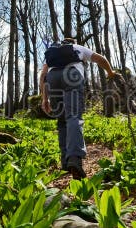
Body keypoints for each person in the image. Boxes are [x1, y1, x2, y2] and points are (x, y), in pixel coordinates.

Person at [40, 38, 122, 178]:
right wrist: (110, 72)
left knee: (62, 121)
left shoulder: (53, 53)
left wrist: (44, 98)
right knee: (73, 116)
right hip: (72, 75)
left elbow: (43, 75)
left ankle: (65, 162)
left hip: (52, 78)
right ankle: (75, 159)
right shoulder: (77, 47)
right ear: (72, 42)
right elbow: (100, 59)